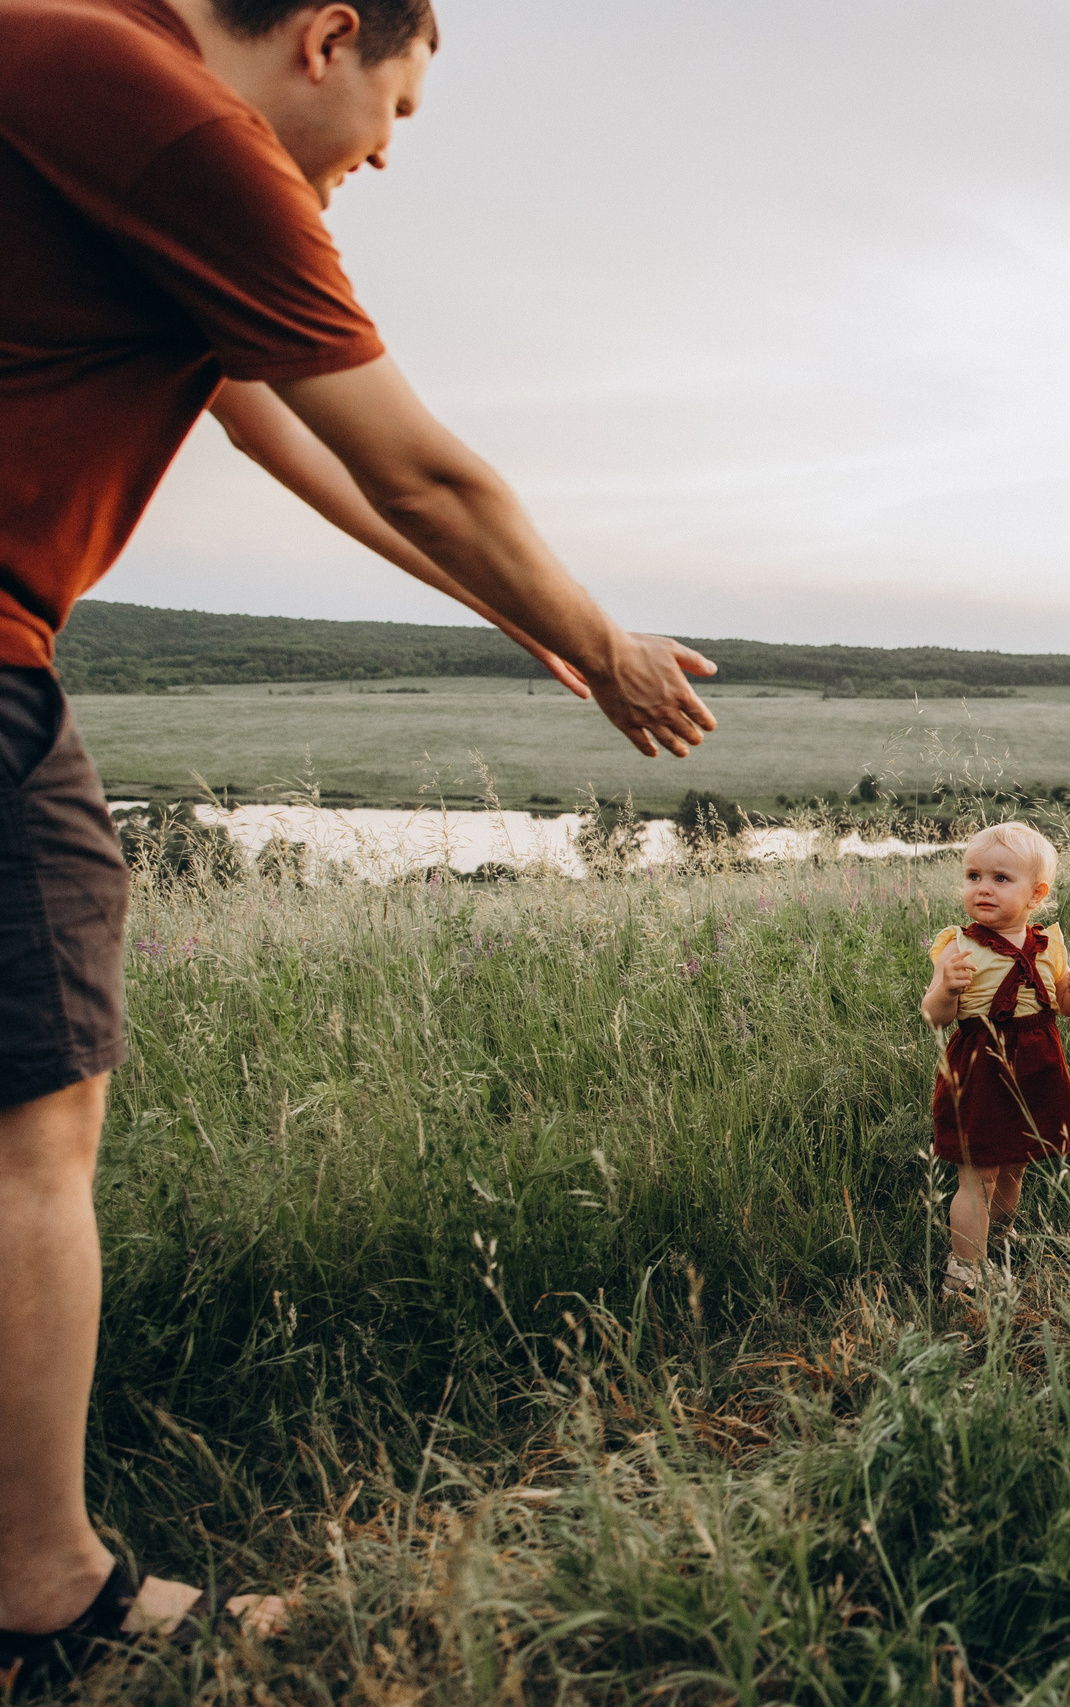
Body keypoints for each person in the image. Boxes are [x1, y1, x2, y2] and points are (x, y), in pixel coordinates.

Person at [0, 0, 719, 1682]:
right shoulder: (186, 127)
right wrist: (603, 647)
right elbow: (422, 467)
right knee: (36, 1117)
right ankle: (37, 1591)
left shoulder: (72, 69)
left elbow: (270, 415)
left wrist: (513, 621)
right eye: (394, 108)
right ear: (327, 33)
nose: (386, 153)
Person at [921, 822, 1070, 1298]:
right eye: (974, 875)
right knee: (978, 1172)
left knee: (1015, 1164)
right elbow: (935, 1017)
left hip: (1038, 1062)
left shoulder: (1048, 944)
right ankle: (964, 1271)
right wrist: (946, 988)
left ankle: (998, 1239)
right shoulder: (957, 946)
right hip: (980, 1063)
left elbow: (1065, 1007)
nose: (983, 887)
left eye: (1001, 879)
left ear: (1035, 894)